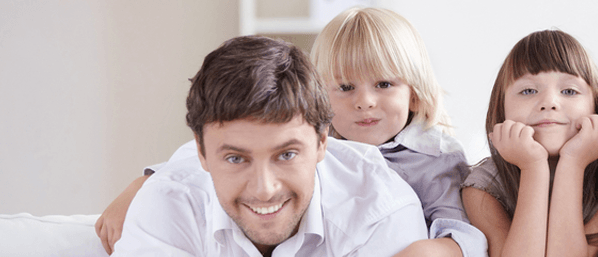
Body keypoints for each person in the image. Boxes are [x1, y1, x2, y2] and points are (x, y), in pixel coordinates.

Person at [110, 35, 427, 256]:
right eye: (235, 159)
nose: (264, 189)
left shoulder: (380, 210)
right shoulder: (169, 204)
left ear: (321, 141)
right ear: (201, 153)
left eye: (286, 155)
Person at [308, 7, 485, 257]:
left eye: (383, 84)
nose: (364, 101)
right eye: (346, 87)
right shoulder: (319, 154)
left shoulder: (435, 158)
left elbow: (466, 240)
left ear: (414, 95)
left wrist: (421, 251)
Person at [461, 30, 598, 257]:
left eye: (569, 91)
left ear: (596, 108)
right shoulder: (483, 187)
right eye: (528, 90)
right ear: (501, 109)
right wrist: (532, 167)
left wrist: (573, 163)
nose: (549, 103)